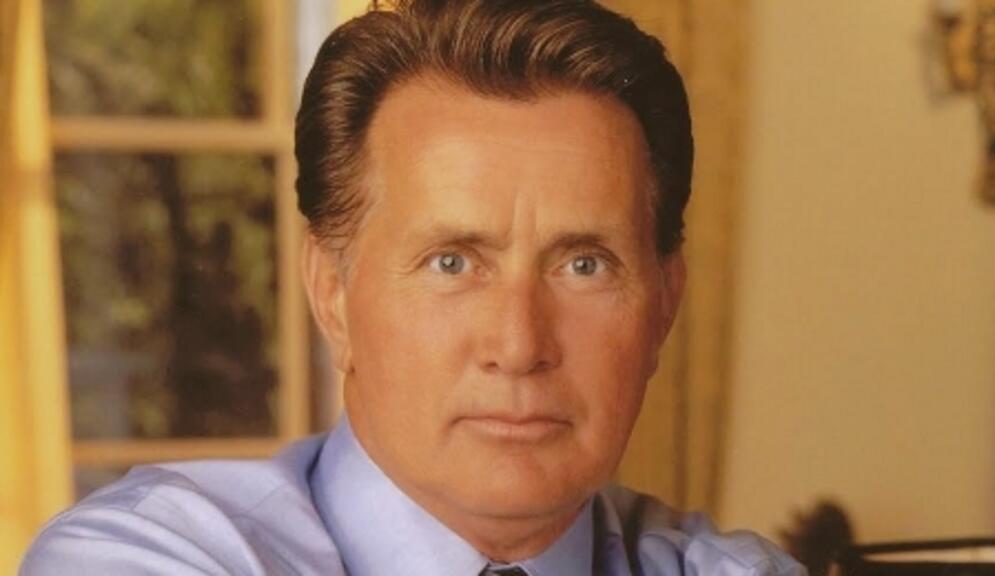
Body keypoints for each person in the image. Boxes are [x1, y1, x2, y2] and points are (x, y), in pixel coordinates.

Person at [22, 1, 805, 574]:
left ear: (664, 305)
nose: (519, 345)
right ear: (332, 292)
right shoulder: (143, 556)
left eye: (583, 265)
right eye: (452, 263)